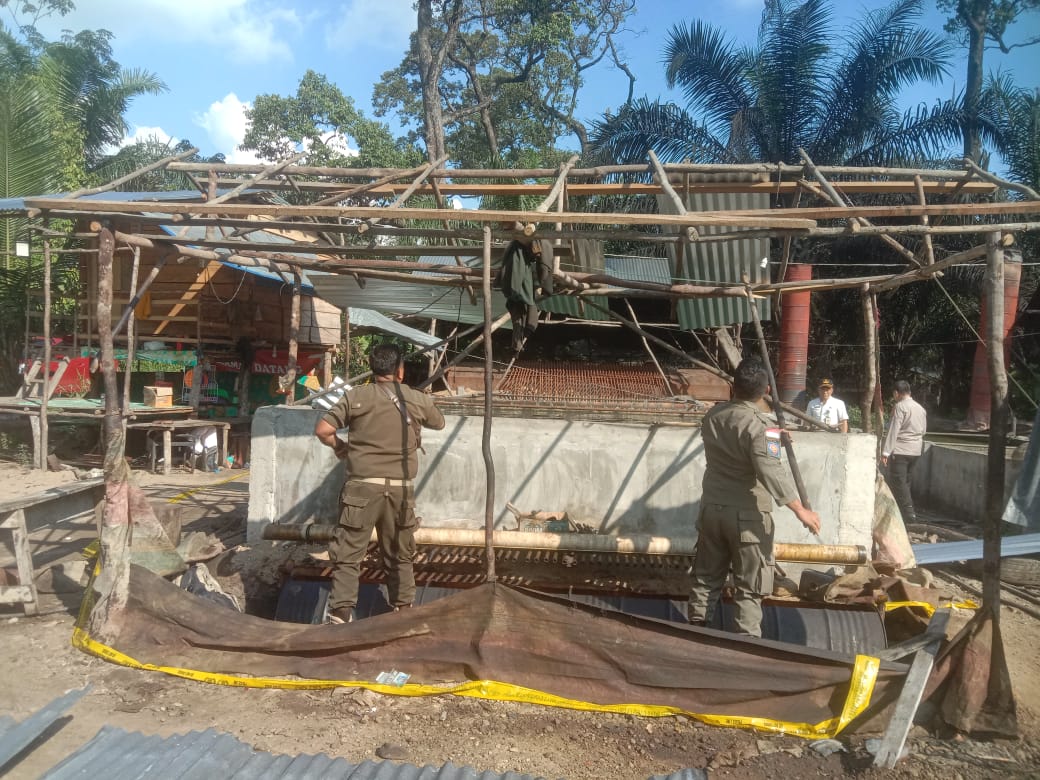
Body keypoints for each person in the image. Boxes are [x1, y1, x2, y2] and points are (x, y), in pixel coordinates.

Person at [688, 357, 821, 637]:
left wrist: (773, 437)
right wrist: (800, 510)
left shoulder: (712, 417)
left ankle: (695, 633)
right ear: (766, 392)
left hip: (712, 511)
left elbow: (736, 438)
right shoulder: (764, 428)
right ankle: (746, 645)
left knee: (705, 579)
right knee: (750, 587)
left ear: (733, 387)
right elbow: (769, 469)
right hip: (747, 519)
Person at [314, 344, 445, 624]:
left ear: (373, 370)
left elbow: (323, 430)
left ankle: (340, 615)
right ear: (400, 370)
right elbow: (439, 423)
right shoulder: (416, 398)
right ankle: (403, 613)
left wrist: (341, 447)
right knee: (400, 553)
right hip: (401, 490)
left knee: (348, 554)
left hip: (361, 489)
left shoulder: (356, 396)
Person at [881, 380, 927, 525]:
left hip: (901, 450)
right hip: (916, 450)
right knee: (906, 481)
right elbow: (924, 430)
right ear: (909, 392)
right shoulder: (920, 408)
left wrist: (886, 452)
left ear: (896, 393)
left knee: (899, 481)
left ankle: (909, 514)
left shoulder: (900, 407)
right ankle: (902, 511)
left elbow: (893, 430)